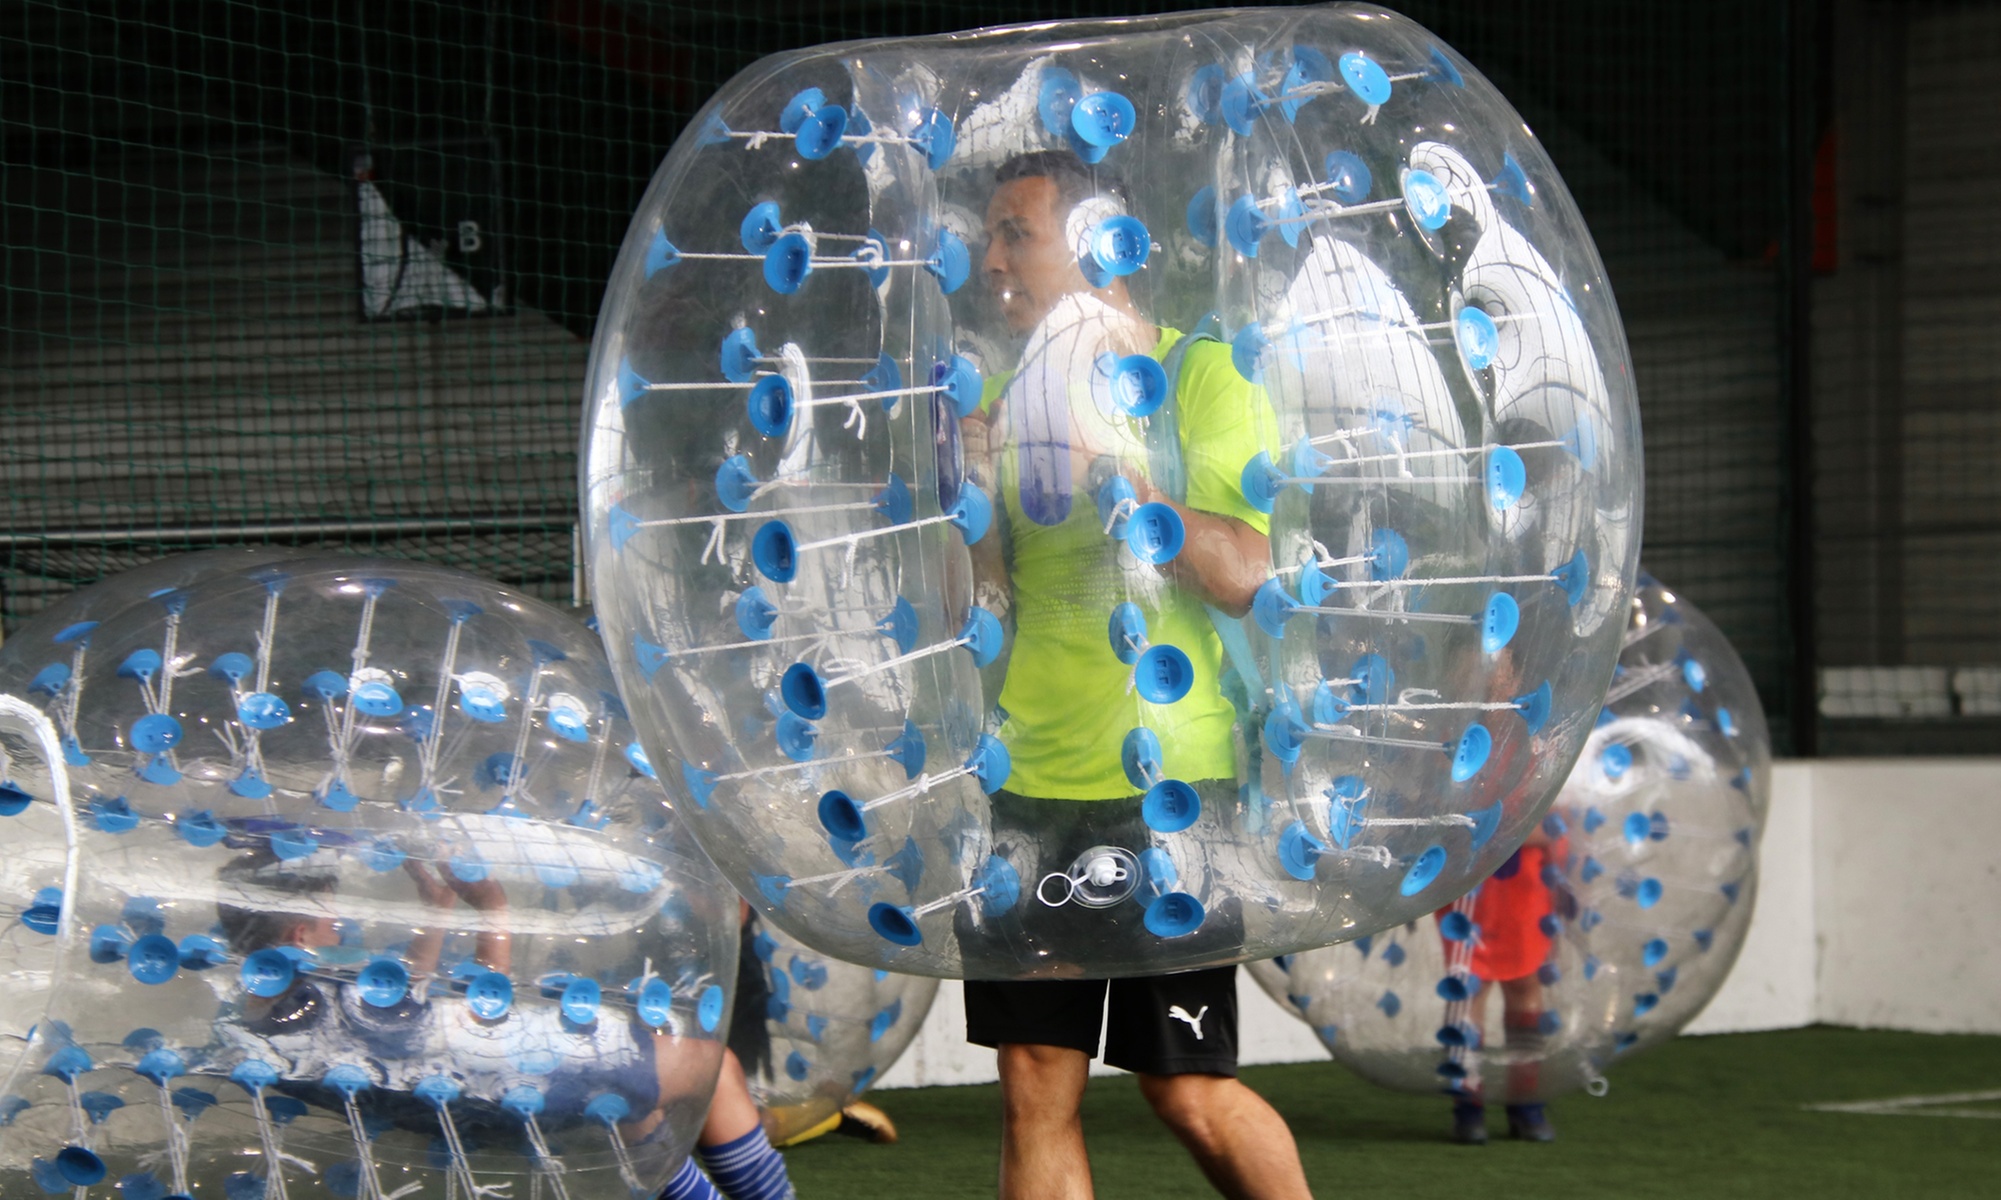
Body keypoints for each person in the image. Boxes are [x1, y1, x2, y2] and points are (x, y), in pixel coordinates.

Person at [958, 150, 1311, 1200]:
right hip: (1028, 783)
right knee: (1033, 1084)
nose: (990, 262)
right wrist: (965, 509)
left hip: (1171, 786)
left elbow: (1244, 575)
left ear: (1095, 242)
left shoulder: (1198, 375)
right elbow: (985, 608)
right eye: (987, 237)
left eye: (1015, 234)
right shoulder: (995, 400)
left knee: (1187, 1089)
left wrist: (1123, 477)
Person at [213, 848, 795, 1200]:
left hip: (458, 1103)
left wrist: (440, 909)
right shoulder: (338, 999)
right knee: (716, 1068)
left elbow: (404, 1012)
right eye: (327, 916)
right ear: (299, 936)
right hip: (527, 1084)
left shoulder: (270, 1020)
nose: (339, 922)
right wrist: (492, 908)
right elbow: (482, 1021)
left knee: (641, 1112)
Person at [1435, 819, 1566, 1146]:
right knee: (1468, 989)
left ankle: (1526, 1102)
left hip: (1525, 889)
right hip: (1470, 888)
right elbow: (1445, 821)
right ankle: (1468, 1105)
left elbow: (1557, 825)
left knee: (1525, 983)